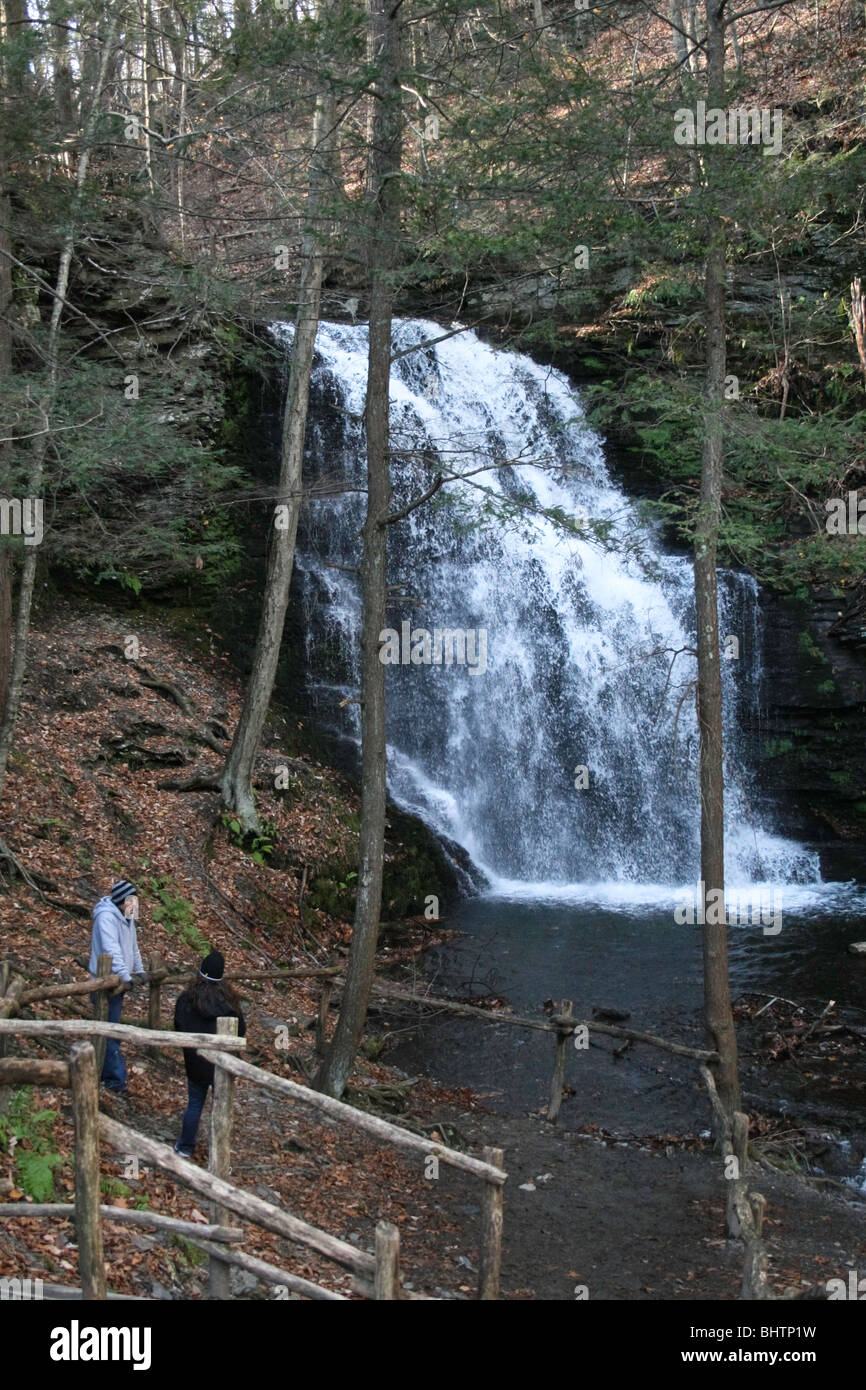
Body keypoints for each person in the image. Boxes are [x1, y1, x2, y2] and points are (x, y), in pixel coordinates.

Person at [173, 951, 246, 1158]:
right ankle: (218, 1151)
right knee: (221, 1104)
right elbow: (240, 1030)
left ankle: (185, 1147)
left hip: (196, 1062)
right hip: (221, 1062)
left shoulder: (186, 999)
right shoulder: (230, 1002)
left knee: (195, 1104)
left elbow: (179, 1026)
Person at [89, 879, 146, 1094]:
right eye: (131, 900)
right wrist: (124, 975)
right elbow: (111, 947)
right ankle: (115, 1081)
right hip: (106, 979)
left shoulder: (128, 913)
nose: (135, 904)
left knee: (111, 1029)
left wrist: (138, 970)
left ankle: (107, 1074)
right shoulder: (106, 917)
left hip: (119, 980)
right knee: (109, 1030)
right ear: (122, 900)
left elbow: (133, 944)